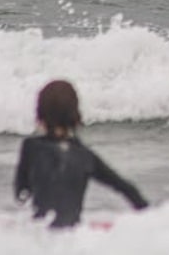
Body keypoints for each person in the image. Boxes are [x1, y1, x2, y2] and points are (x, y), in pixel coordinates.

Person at [14, 80, 148, 228]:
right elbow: (127, 189)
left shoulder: (31, 147)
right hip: (73, 239)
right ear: (76, 117)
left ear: (40, 115)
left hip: (40, 237)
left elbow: (21, 194)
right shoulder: (85, 156)